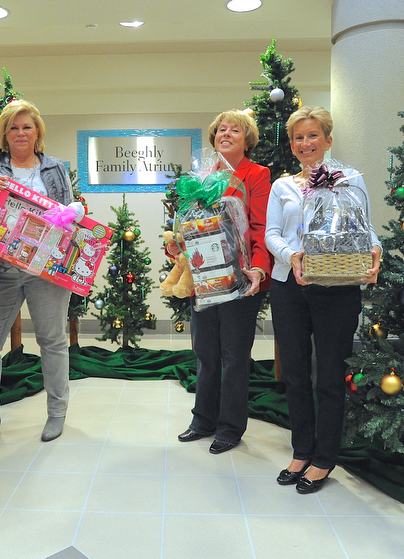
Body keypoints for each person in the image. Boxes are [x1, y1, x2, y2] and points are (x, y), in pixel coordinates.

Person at [265, 106, 381, 493]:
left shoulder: (349, 180)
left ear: (328, 140)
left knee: (329, 375)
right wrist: (291, 256)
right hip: (289, 286)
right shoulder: (284, 186)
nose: (305, 143)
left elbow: (366, 226)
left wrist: (375, 252)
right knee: (295, 374)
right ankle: (301, 450)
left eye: (312, 135)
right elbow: (272, 234)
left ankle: (324, 458)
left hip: (338, 284)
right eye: (298, 137)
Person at [0, 99, 72, 446]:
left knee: (52, 342)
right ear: (4, 134)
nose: (21, 133)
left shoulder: (55, 169)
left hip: (44, 271)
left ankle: (57, 414)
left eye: (27, 126)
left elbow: (69, 218)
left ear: (37, 131)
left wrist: (71, 214)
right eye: (14, 127)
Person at [175, 110, 272, 454]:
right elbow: (187, 221)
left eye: (235, 130)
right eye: (220, 130)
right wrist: (178, 242)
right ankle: (203, 419)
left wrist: (259, 269)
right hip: (204, 276)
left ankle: (230, 427)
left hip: (240, 278)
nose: (225, 134)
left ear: (247, 139)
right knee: (204, 350)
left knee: (233, 355)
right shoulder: (201, 176)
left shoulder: (257, 175)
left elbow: (260, 226)